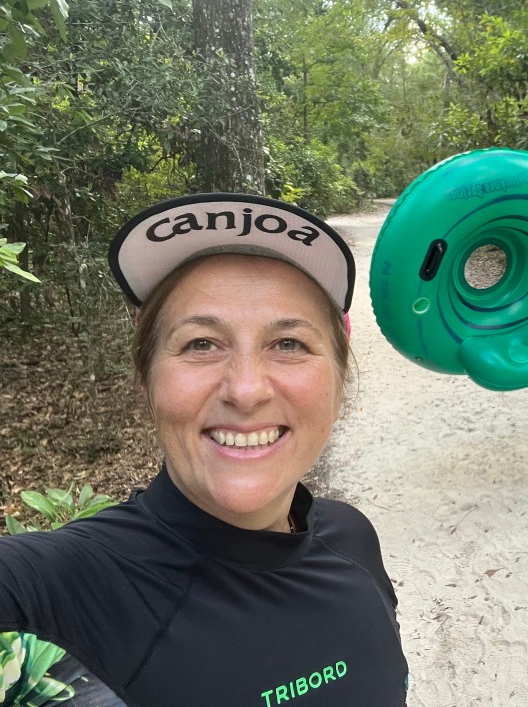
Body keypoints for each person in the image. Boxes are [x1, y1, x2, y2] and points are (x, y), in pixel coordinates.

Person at [0, 193, 408, 706]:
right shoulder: (60, 593)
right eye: (201, 344)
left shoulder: (352, 539)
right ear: (147, 378)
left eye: (289, 344)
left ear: (338, 379)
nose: (246, 390)